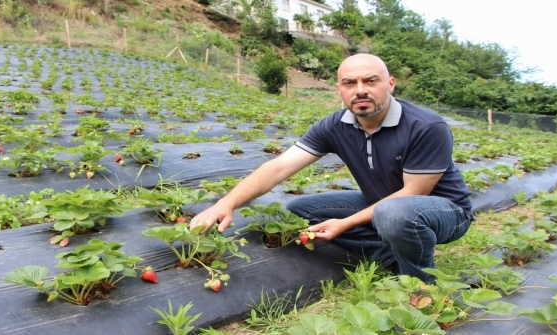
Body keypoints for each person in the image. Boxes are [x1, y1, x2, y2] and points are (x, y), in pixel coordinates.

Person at [190, 53, 473, 283]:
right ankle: (389, 255)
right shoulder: (334, 125)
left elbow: (414, 193)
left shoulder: (425, 126)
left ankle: (420, 282)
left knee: (393, 213)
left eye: (370, 81)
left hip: (444, 210)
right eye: (349, 83)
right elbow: (279, 167)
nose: (360, 90)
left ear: (390, 84)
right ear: (339, 88)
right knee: (302, 210)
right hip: (381, 202)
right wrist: (226, 203)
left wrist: (346, 223)